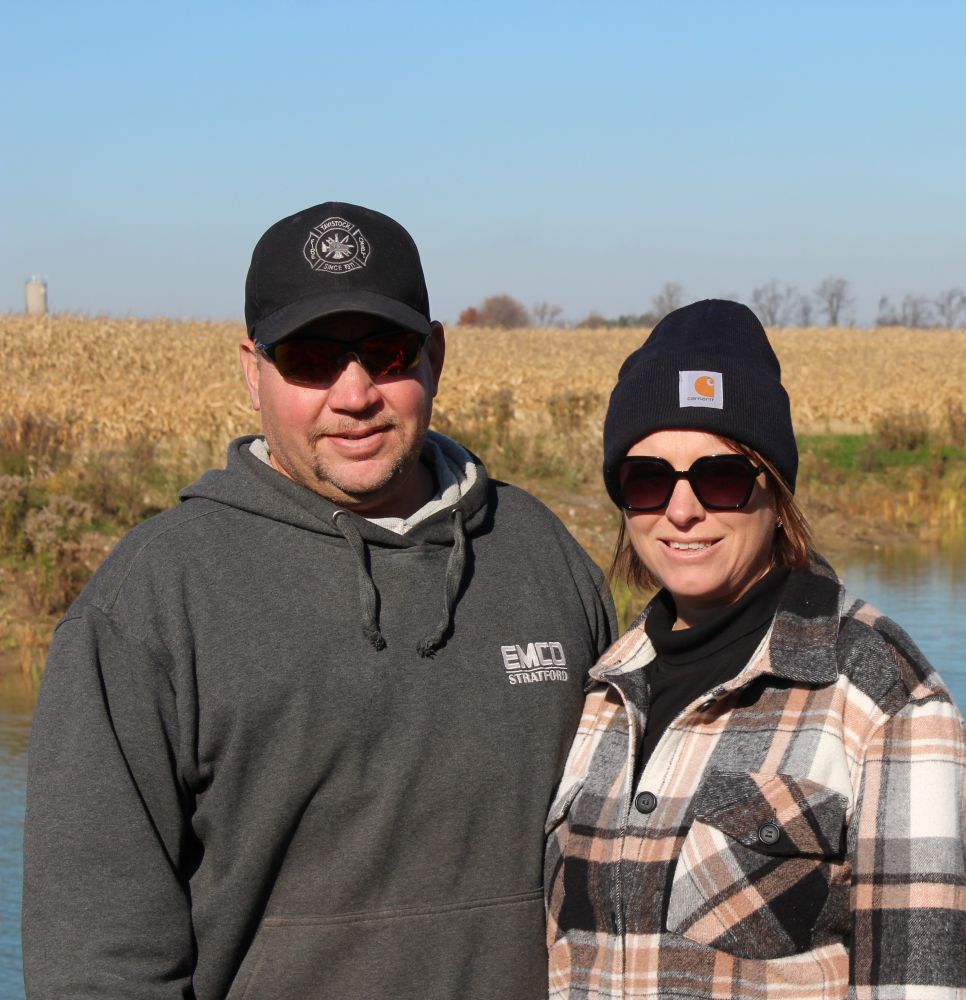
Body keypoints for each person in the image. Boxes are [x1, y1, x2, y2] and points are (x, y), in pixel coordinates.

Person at [23, 202, 616, 999]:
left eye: (388, 353)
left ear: (436, 357)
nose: (355, 393)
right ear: (252, 370)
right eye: (310, 358)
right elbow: (97, 964)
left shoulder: (542, 556)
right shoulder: (152, 602)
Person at [544, 299, 966, 998]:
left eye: (721, 477)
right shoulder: (603, 691)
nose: (682, 510)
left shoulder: (883, 697)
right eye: (648, 479)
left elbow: (921, 982)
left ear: (776, 492)